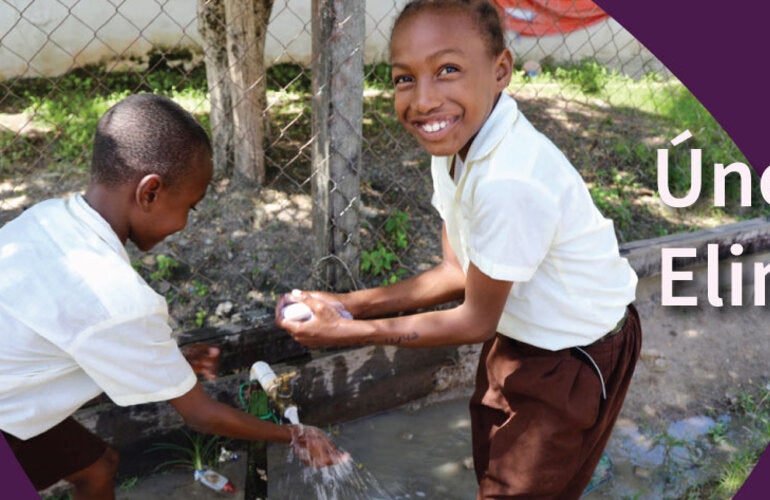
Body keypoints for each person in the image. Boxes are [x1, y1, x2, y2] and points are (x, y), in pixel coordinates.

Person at [275, 1, 642, 498]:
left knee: (519, 486)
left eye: (448, 69)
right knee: (496, 461)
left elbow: (473, 321)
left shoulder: (509, 181)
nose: (423, 100)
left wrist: (346, 332)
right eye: (405, 78)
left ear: (501, 71)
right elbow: (456, 270)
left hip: (574, 356)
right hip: (520, 334)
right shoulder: (456, 143)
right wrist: (344, 305)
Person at [0, 93, 344, 499]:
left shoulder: (48, 218)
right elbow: (202, 415)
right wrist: (294, 435)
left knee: (97, 467)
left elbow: (57, 342)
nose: (184, 223)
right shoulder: (117, 298)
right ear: (149, 193)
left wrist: (169, 364)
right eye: (190, 207)